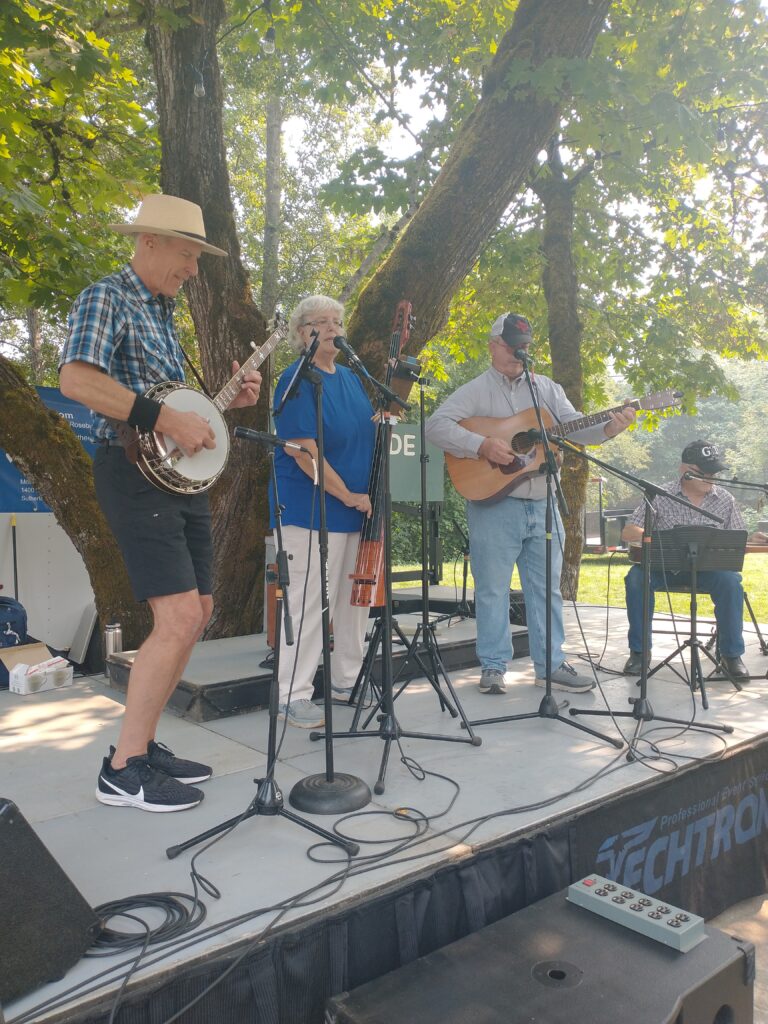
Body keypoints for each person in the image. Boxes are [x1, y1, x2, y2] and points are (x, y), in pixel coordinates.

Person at [59, 194, 262, 812]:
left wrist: (227, 405)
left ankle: (143, 746)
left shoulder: (162, 313)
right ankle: (121, 769)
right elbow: (77, 380)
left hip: (175, 484)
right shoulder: (107, 296)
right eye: (187, 254)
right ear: (149, 241)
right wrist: (164, 414)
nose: (193, 269)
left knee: (198, 613)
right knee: (175, 619)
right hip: (130, 476)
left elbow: (174, 418)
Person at [425, 312, 635, 694]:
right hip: (494, 505)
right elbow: (435, 426)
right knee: (492, 589)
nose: (515, 353)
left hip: (543, 501)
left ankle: (551, 665)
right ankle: (492, 667)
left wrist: (609, 427)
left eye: (521, 346)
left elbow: (574, 426)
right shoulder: (475, 391)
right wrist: (481, 444)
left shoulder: (547, 389)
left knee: (546, 590)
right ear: (492, 345)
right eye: (508, 345)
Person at [270, 296, 376, 728]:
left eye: (337, 321)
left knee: (355, 604)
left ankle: (346, 681)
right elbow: (305, 453)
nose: (333, 328)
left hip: (358, 509)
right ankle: (293, 694)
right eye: (320, 323)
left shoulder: (351, 377)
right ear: (301, 334)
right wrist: (348, 495)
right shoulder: (295, 380)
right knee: (310, 604)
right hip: (309, 511)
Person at [621, 439, 767, 679]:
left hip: (709, 567)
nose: (711, 478)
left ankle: (731, 655)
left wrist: (753, 539)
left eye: (714, 472)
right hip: (665, 566)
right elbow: (629, 531)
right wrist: (661, 540)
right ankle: (639, 652)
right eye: (704, 472)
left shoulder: (725, 500)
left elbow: (735, 538)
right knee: (636, 579)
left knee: (731, 583)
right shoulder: (660, 495)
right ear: (685, 470)